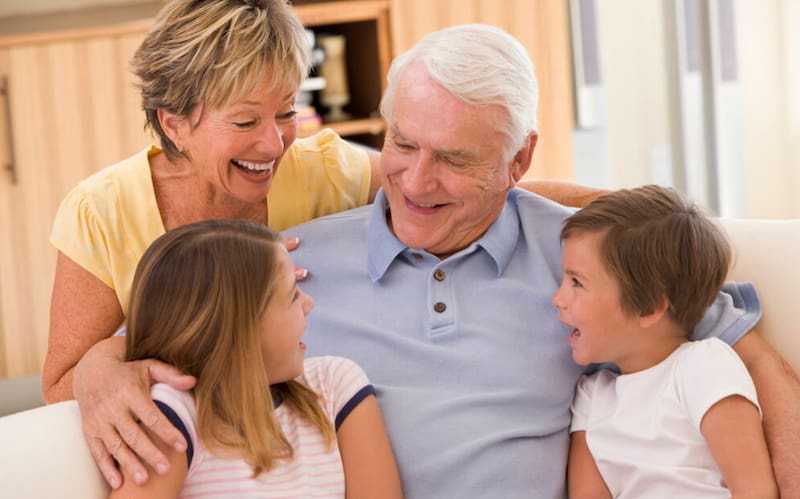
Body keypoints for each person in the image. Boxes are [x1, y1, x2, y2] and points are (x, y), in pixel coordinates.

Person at [73, 23, 800, 498]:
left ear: (519, 160)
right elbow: (171, 338)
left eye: (454, 159)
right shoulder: (289, 265)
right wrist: (100, 362)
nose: (416, 183)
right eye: (403, 144)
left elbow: (744, 352)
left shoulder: (587, 259)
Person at [44, 0, 597, 410]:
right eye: (245, 121)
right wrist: (105, 362)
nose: (273, 145)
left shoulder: (320, 169)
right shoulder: (102, 211)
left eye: (286, 113)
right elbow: (60, 381)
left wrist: (627, 207)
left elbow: (471, 184)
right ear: (174, 123)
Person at [111, 219, 402, 498]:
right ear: (240, 330)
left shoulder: (335, 387)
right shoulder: (173, 416)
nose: (309, 304)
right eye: (293, 296)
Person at [553, 185, 777, 498]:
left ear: (648, 308)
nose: (558, 298)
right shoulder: (592, 397)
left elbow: (755, 491)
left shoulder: (703, 367)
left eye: (577, 282)